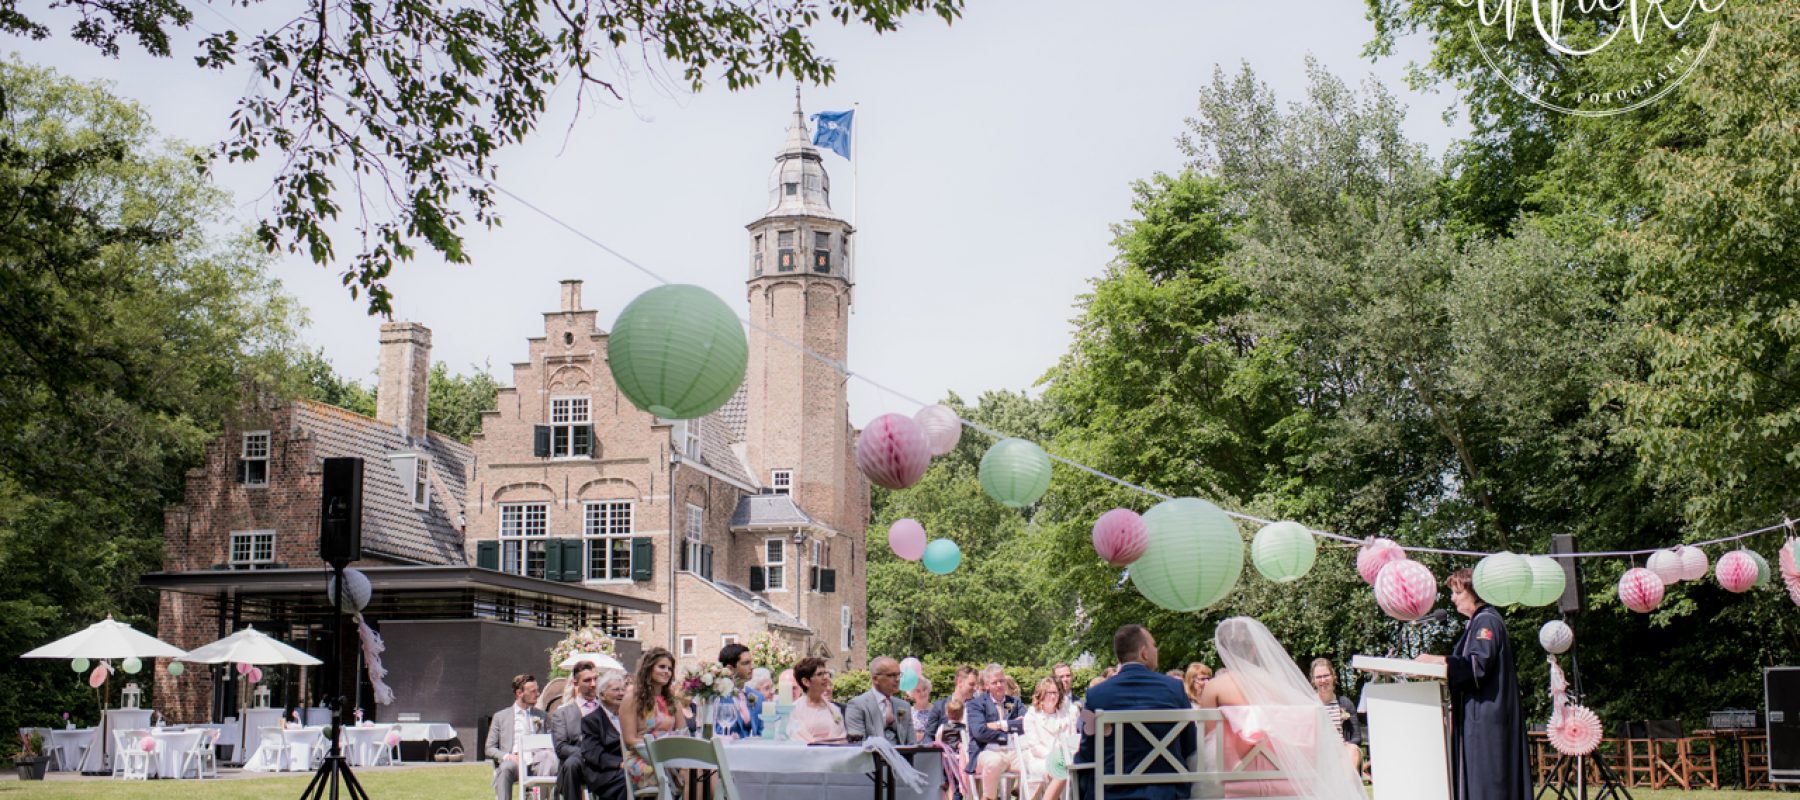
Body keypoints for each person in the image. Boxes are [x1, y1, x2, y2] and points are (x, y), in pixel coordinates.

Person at [1201, 617, 1363, 800]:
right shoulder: (1278, 686)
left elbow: (1207, 738)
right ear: (1255, 649)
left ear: (1223, 651)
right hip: (1284, 777)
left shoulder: (1214, 687)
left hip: (1230, 779)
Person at [1417, 569, 1531, 800]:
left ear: (1475, 592)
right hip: (1478, 715)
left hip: (1486, 718)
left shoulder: (1486, 621)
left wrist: (1439, 660)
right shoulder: (1476, 623)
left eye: (1457, 592)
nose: (1453, 598)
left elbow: (1477, 665)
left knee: (1488, 781)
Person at [1076, 625, 1191, 800]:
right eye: (1154, 645)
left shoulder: (1096, 694)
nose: (1156, 649)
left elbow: (1088, 752)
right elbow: (1190, 745)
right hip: (1166, 793)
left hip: (1111, 793)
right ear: (1144, 653)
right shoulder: (1174, 688)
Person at [620, 648, 687, 793]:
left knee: (703, 770)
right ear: (648, 668)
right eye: (662, 667)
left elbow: (683, 734)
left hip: (671, 756)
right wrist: (658, 746)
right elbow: (630, 739)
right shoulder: (632, 698)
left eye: (670, 668)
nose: (667, 672)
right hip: (643, 758)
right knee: (688, 775)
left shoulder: (673, 701)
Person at [486, 673, 554, 800]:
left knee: (551, 760)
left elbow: (551, 742)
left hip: (539, 762)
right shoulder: (500, 717)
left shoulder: (543, 716)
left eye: (537, 690)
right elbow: (489, 748)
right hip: (515, 762)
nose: (538, 694)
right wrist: (507, 756)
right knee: (505, 768)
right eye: (533, 691)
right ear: (519, 693)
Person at [966, 664, 1026, 799]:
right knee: (994, 762)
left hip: (1013, 751)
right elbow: (980, 732)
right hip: (987, 751)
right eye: (994, 682)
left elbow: (1026, 724)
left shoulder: (1015, 702)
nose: (999, 685)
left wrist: (1000, 725)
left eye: (1002, 681)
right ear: (987, 685)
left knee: (1033, 763)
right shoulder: (976, 704)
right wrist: (1006, 734)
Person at [1020, 677, 1079, 800]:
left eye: (1055, 693)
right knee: (1060, 768)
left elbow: (1073, 740)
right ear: (1041, 695)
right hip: (1040, 759)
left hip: (1066, 758)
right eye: (1049, 693)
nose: (1053, 697)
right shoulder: (1031, 716)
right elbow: (1035, 747)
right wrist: (1055, 756)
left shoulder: (1066, 714)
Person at [552, 661, 600, 800]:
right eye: (587, 680)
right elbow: (561, 748)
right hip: (580, 764)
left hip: (605, 761)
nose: (593, 684)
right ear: (575, 683)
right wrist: (587, 754)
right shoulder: (562, 714)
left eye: (595, 679)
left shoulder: (606, 708)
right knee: (571, 763)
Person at [579, 670, 630, 800]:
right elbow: (593, 753)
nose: (621, 693)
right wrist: (619, 763)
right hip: (605, 773)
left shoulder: (629, 718)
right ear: (602, 695)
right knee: (628, 782)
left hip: (629, 767)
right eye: (616, 690)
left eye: (623, 689)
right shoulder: (591, 721)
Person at [1309, 658, 1363, 775]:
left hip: (1342, 753)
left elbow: (1357, 737)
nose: (1323, 680)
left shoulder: (1345, 703)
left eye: (1326, 675)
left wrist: (1346, 745)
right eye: (1318, 677)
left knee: (1353, 750)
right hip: (1318, 753)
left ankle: (1345, 789)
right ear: (1313, 680)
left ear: (1333, 676)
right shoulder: (1309, 705)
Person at [847, 656, 917, 743]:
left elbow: (912, 743)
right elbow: (857, 745)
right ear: (875, 679)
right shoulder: (857, 705)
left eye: (899, 674)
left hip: (902, 756)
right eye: (892, 675)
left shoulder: (904, 706)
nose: (898, 679)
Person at [788, 656, 847, 742]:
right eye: (820, 674)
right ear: (806, 682)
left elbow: (842, 736)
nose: (826, 677)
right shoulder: (794, 710)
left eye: (826, 673)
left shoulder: (834, 709)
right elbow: (794, 736)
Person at [923, 665, 979, 742]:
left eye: (976, 685)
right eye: (971, 684)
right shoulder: (940, 706)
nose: (975, 688)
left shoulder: (978, 707)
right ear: (959, 682)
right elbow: (929, 736)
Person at [718, 642, 763, 738]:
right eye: (746, 663)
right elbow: (717, 731)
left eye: (751, 662)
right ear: (730, 668)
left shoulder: (758, 697)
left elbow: (762, 732)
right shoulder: (719, 697)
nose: (752, 667)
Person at [936, 698, 975, 800]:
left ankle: (944, 785)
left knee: (945, 781)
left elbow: (938, 741)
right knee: (957, 783)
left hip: (945, 759)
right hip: (958, 760)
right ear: (962, 715)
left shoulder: (942, 727)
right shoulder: (964, 728)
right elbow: (966, 743)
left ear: (947, 713)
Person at [910, 675, 935, 742]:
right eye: (918, 691)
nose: (922, 693)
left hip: (933, 749)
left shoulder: (937, 710)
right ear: (912, 694)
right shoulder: (909, 712)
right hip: (912, 749)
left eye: (924, 689)